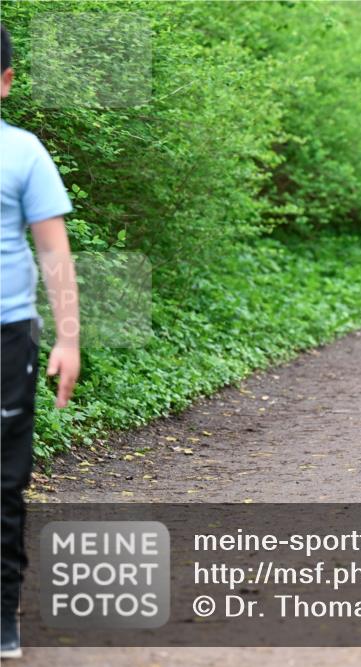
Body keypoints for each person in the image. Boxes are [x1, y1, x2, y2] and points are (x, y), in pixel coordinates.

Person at [1, 24, 81, 660]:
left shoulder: (23, 152)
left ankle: (2, 616)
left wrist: (68, 340)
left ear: (4, 85)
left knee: (3, 480)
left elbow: (54, 252)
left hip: (9, 336)